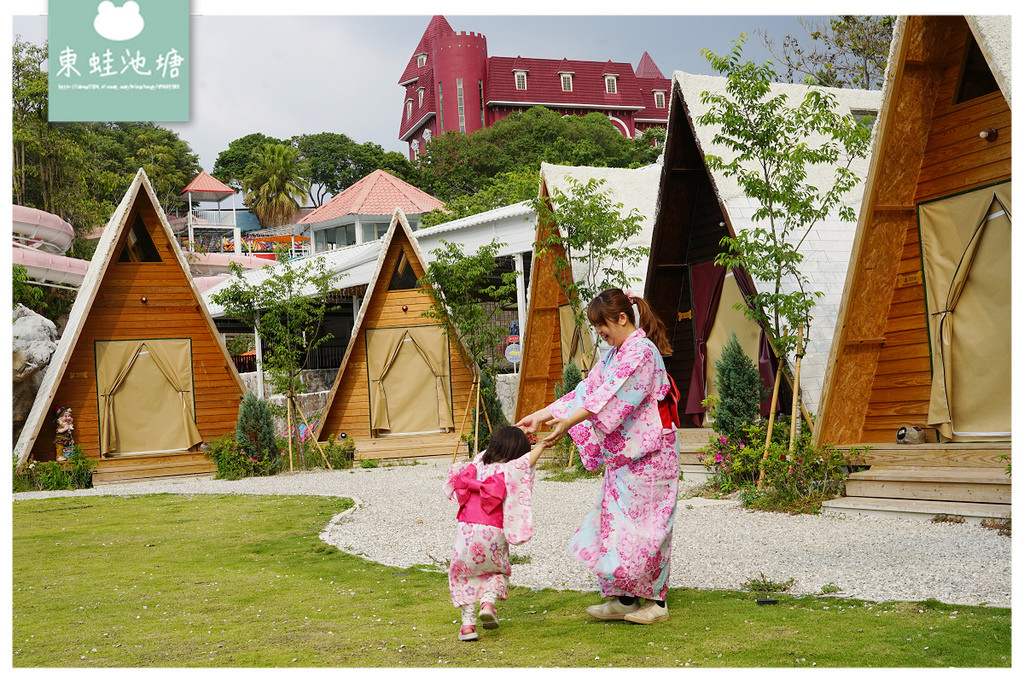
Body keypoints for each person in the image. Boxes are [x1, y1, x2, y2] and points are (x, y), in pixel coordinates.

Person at [515, 287, 679, 625]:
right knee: (615, 524)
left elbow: (610, 395)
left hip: (652, 455)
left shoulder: (642, 352)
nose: (600, 333)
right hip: (626, 456)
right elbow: (587, 390)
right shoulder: (614, 354)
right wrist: (543, 415)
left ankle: (655, 602)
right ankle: (623, 598)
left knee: (648, 527)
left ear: (621, 318)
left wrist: (569, 421)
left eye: (602, 325)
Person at [444, 425, 547, 641]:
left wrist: (514, 430)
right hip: (493, 530)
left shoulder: (479, 462)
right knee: (497, 570)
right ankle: (488, 602)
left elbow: (492, 448)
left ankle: (467, 627)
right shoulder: (511, 469)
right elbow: (527, 463)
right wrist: (543, 444)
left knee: (463, 574)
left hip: (466, 528)